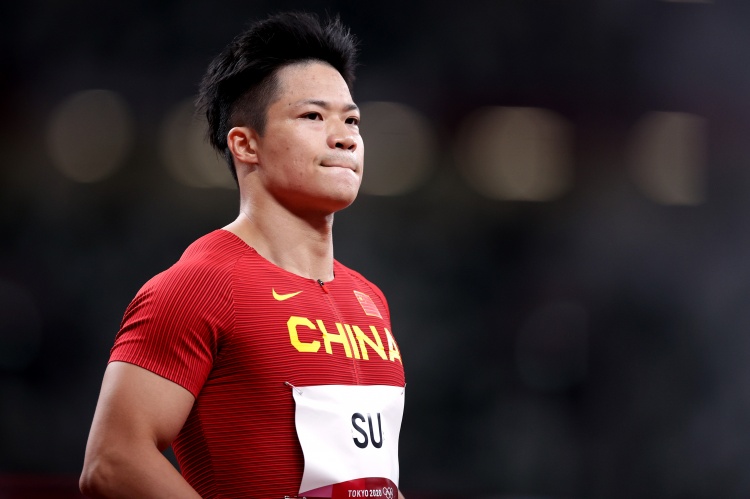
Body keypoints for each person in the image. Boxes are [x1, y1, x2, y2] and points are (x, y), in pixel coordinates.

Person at [79, 12, 407, 499]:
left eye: (352, 119)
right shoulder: (200, 285)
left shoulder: (370, 300)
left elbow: (367, 479)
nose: (345, 137)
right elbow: (112, 462)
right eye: (313, 116)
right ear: (246, 144)